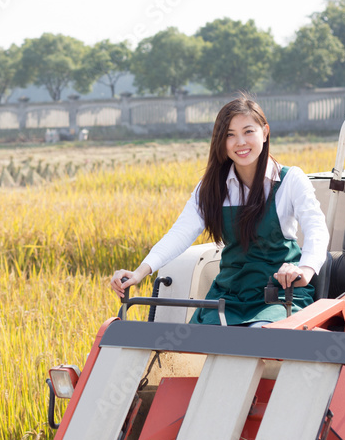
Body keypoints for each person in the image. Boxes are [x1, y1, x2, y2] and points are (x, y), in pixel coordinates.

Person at [110, 94, 329, 326]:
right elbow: (180, 233)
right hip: (229, 294)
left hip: (277, 295)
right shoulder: (212, 187)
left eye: (248, 131)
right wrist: (139, 272)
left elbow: (317, 230)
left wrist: (304, 270)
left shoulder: (290, 180)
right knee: (199, 342)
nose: (240, 142)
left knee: (258, 338)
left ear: (265, 132)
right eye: (229, 135)